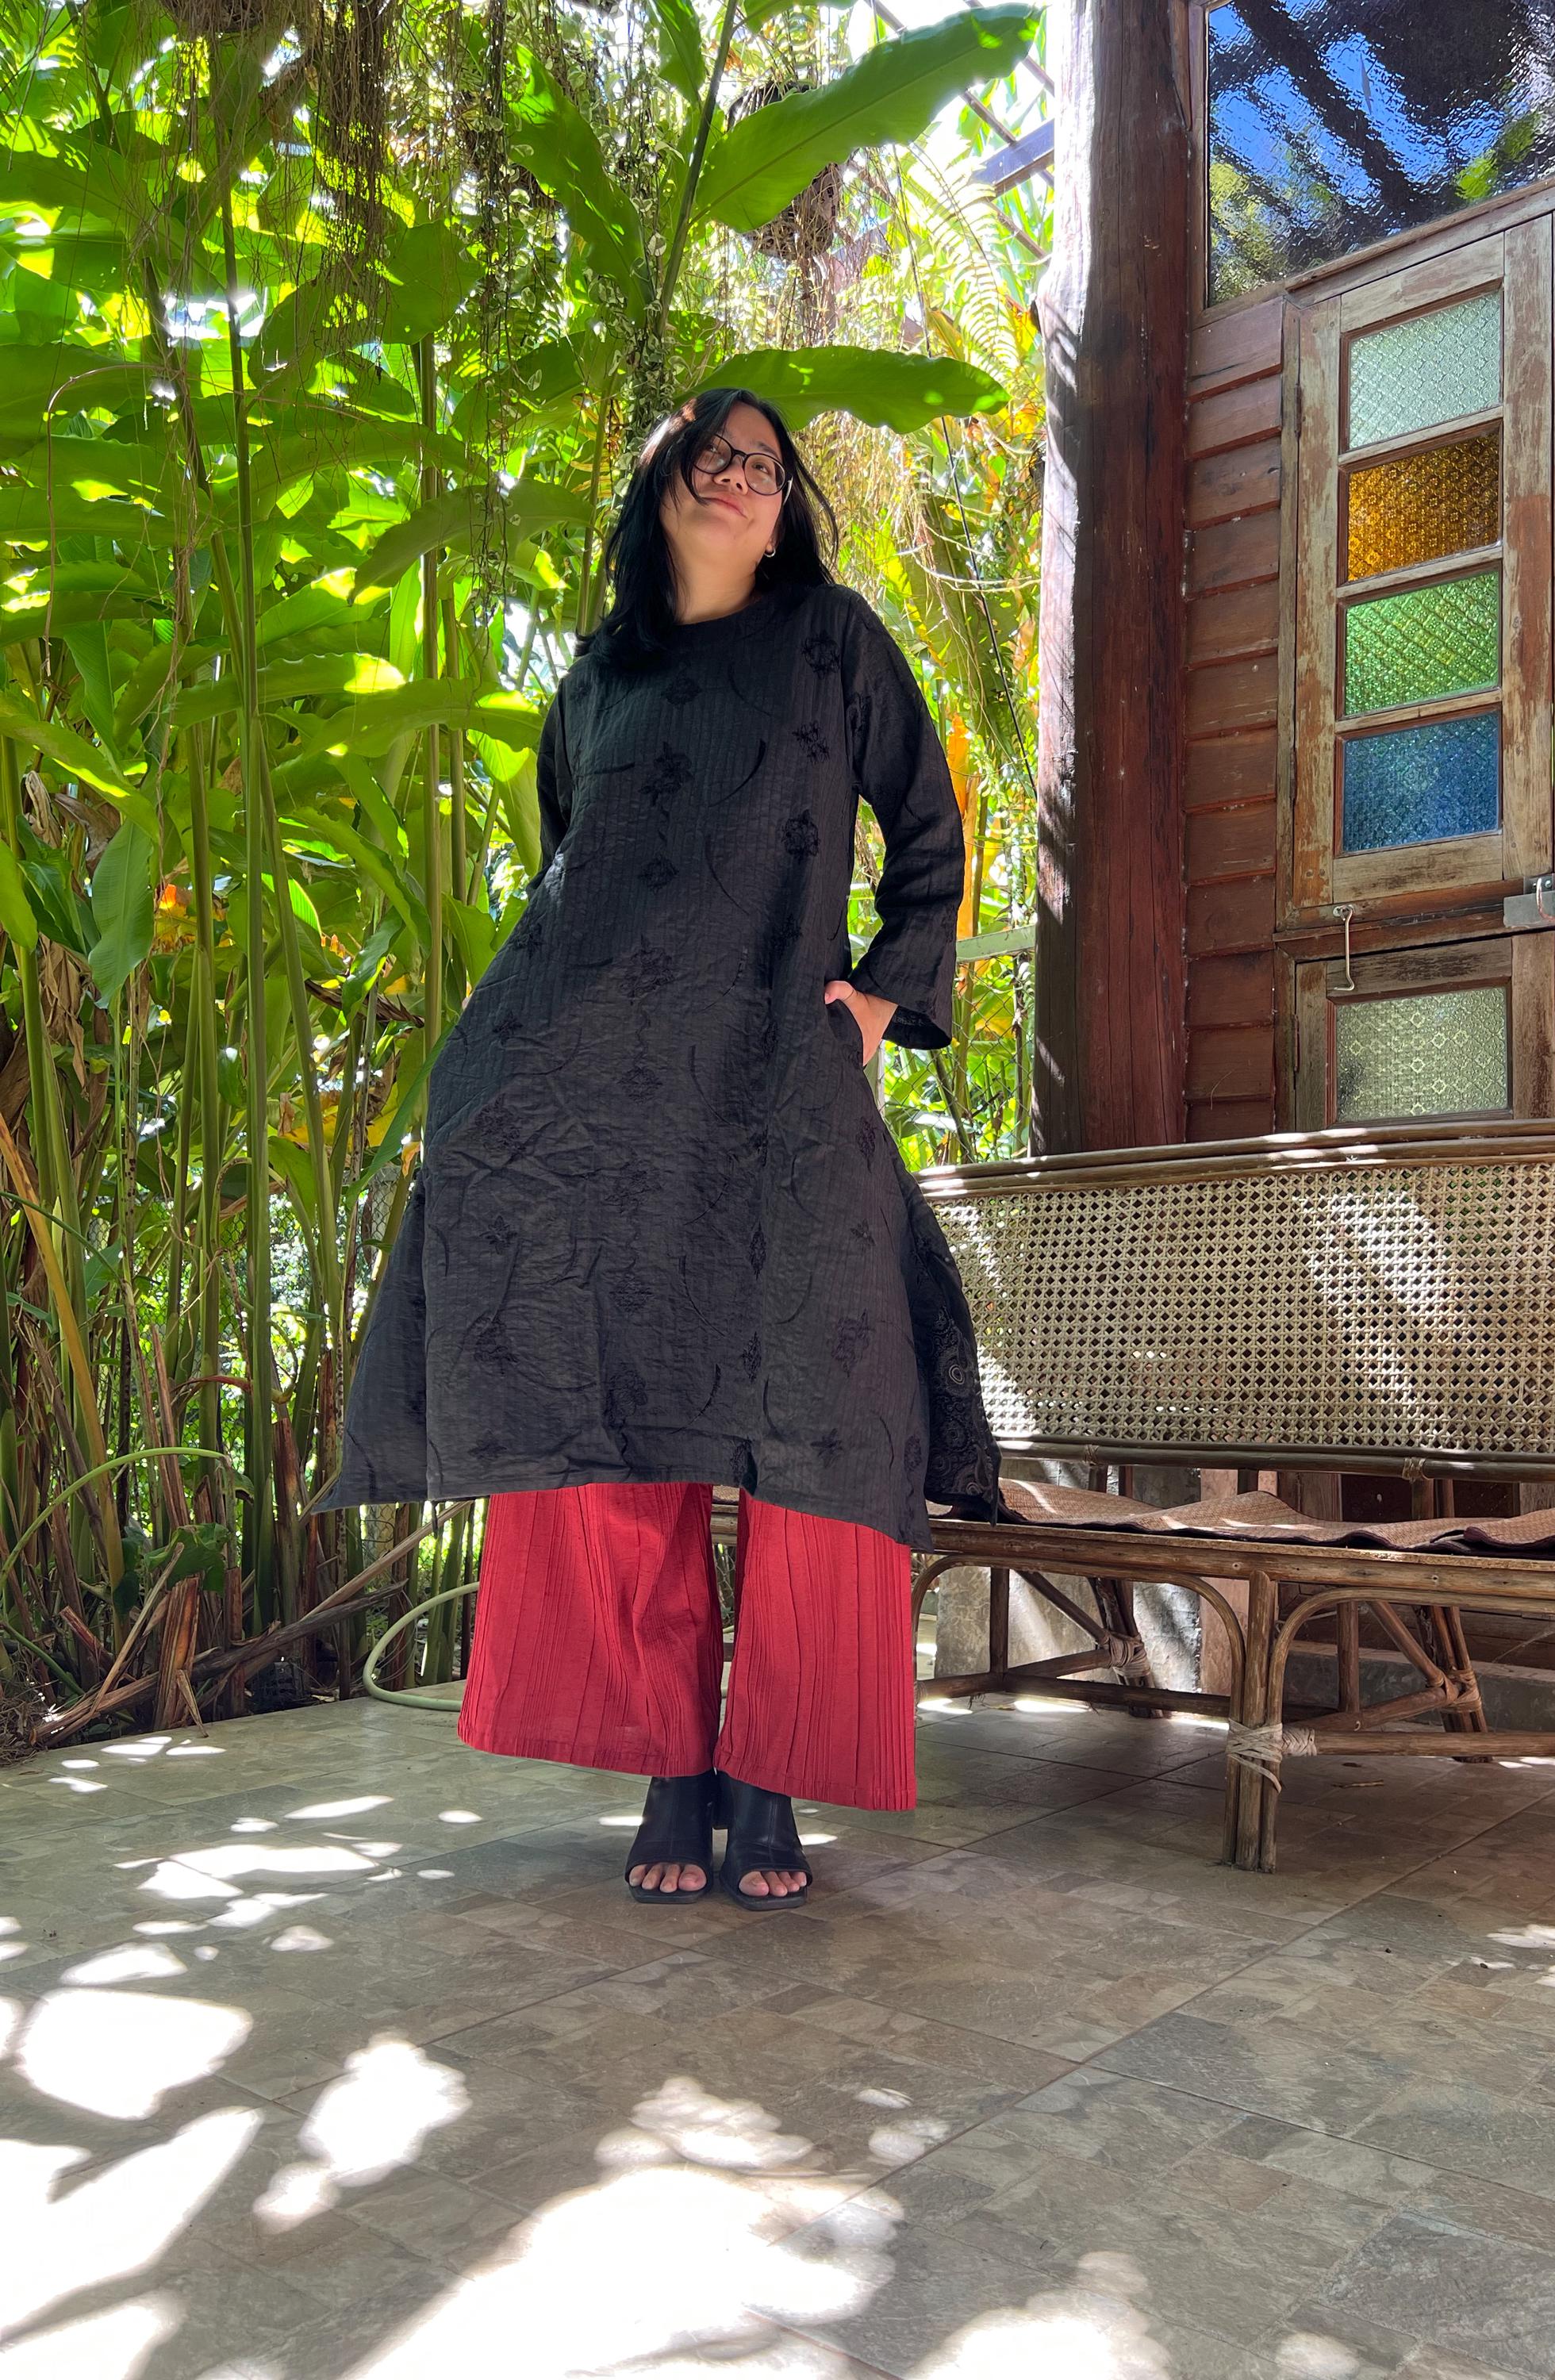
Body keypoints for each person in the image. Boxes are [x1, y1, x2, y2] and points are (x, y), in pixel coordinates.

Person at [310, 386, 1004, 1909]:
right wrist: (502, 1078)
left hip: (780, 1093)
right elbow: (574, 881)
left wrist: (881, 999)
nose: (741, 479)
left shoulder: (831, 639)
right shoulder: (594, 682)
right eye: (713, 456)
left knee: (818, 1421)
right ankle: (671, 1765)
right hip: (601, 1115)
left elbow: (929, 827)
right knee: (613, 1420)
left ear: (788, 502)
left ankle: (773, 1777)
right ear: (661, 485)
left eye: (766, 464)